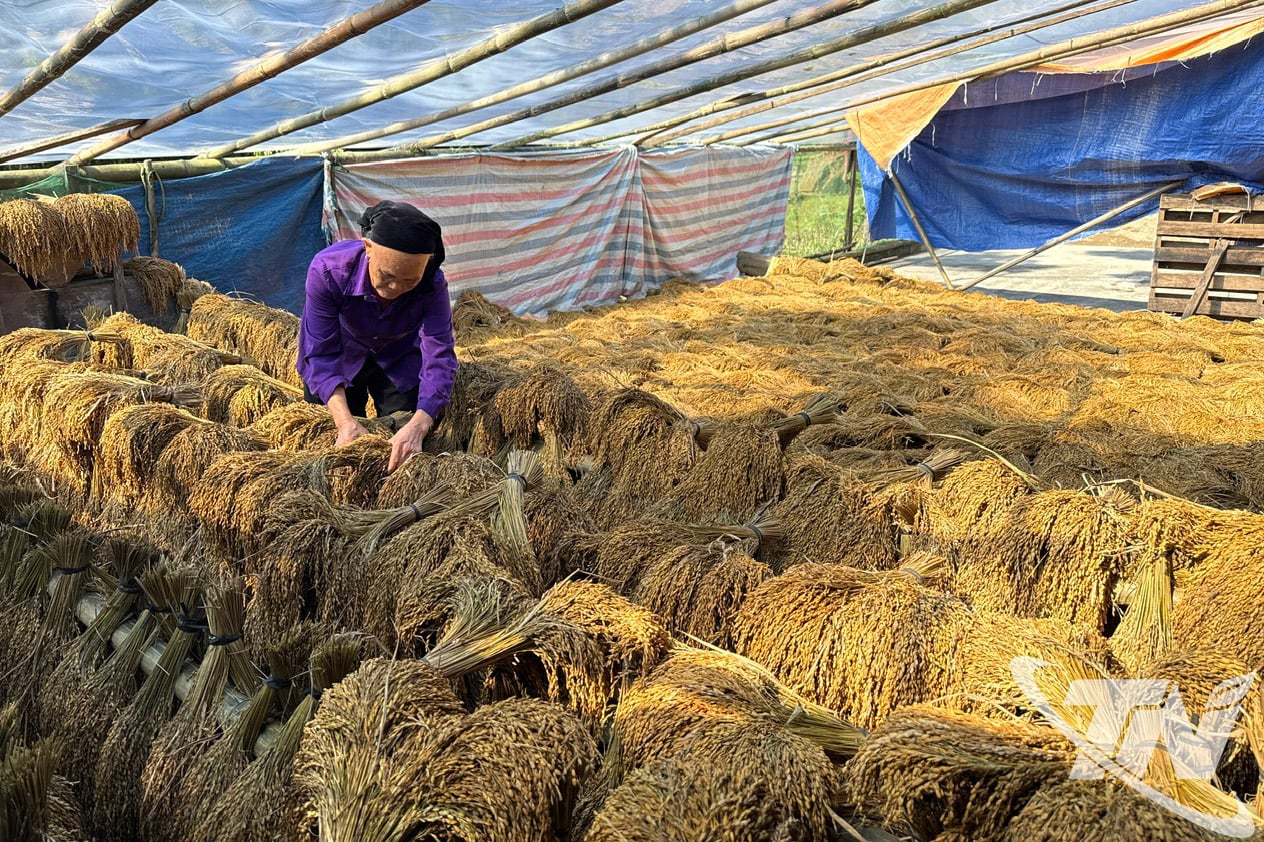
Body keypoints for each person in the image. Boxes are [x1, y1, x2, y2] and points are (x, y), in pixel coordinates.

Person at [297, 200, 457, 472]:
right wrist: (345, 423)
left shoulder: (433, 285)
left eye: (410, 281)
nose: (395, 288)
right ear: (367, 247)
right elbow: (320, 353)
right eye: (387, 275)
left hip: (398, 358)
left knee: (402, 429)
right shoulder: (328, 271)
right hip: (343, 354)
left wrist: (419, 424)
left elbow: (439, 356)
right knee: (331, 438)